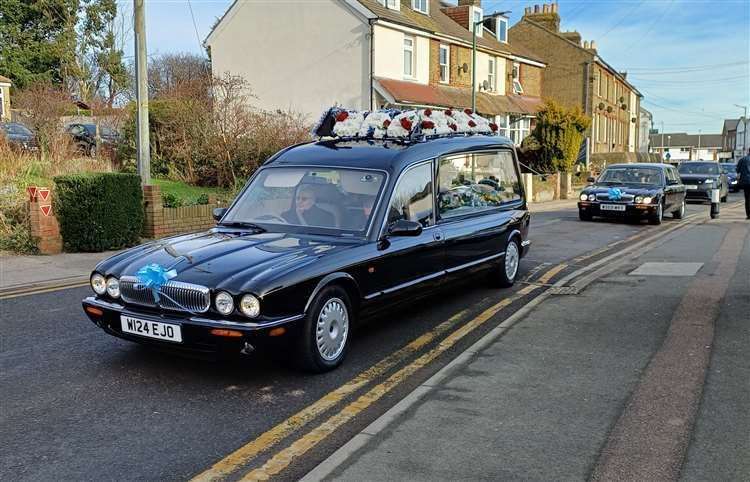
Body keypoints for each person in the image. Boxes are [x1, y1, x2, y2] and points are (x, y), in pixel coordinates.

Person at [737, 150, 750, 220]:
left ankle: (748, 215)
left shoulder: (742, 159)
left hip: (746, 181)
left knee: (747, 199)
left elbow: (737, 170)